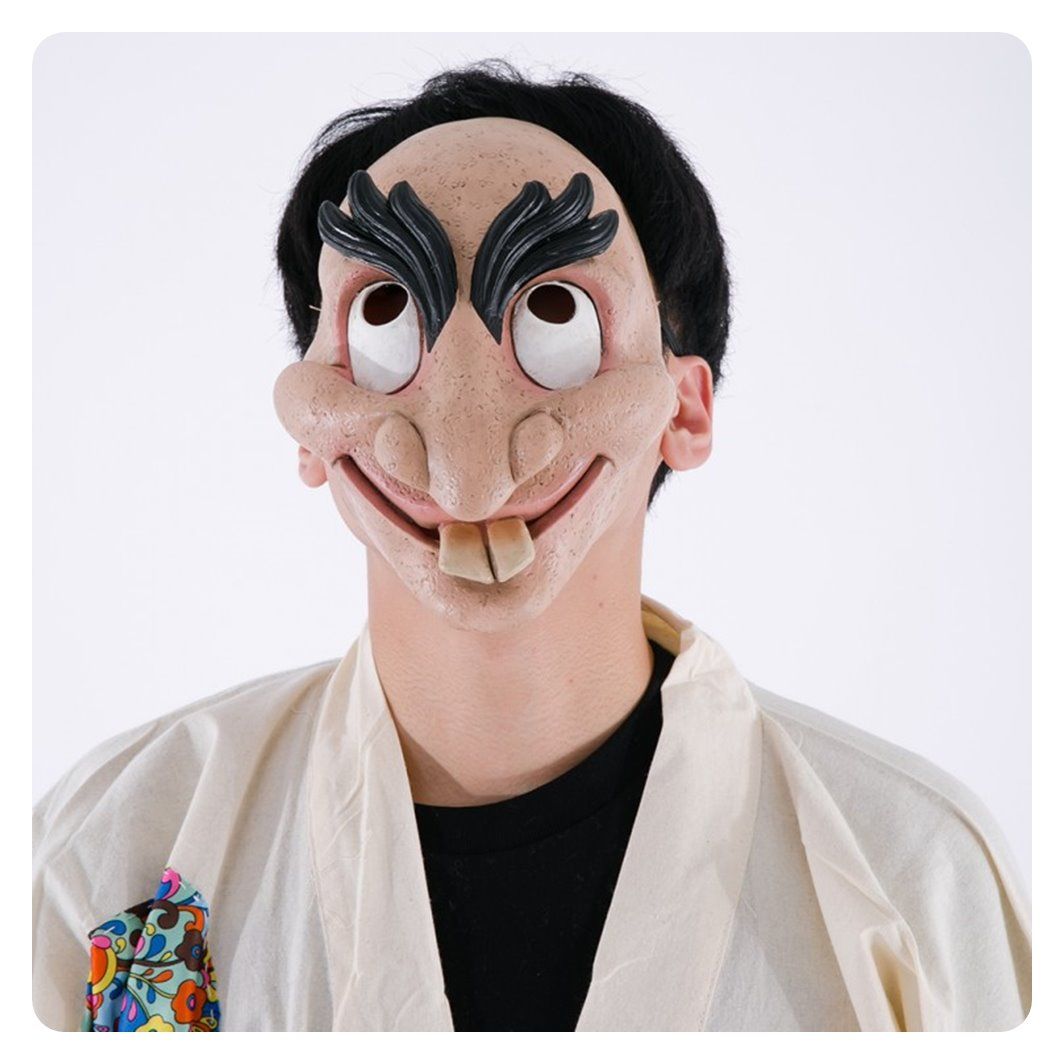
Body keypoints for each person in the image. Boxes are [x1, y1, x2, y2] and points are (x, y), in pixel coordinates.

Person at [32, 61, 1031, 1033]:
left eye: (556, 316)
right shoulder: (111, 842)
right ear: (308, 424)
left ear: (683, 409)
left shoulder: (913, 878)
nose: (466, 464)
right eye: (384, 316)